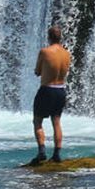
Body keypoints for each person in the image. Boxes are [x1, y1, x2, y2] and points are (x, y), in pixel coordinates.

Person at [30, 25, 71, 165]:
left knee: (37, 121)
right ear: (60, 37)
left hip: (47, 90)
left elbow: (37, 71)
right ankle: (57, 154)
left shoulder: (44, 52)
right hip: (61, 90)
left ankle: (41, 151)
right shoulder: (67, 53)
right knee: (56, 122)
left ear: (48, 37)